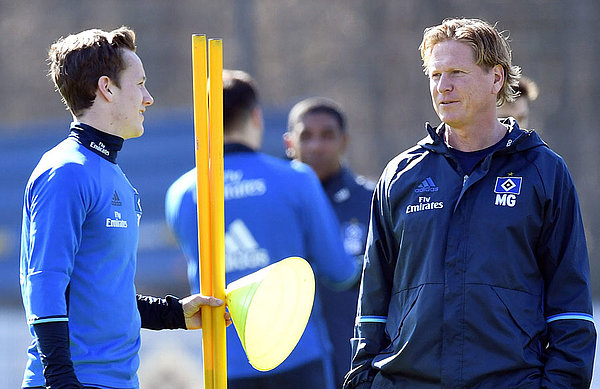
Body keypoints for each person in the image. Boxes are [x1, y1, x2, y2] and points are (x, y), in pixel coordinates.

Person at [344, 18, 595, 389]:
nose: (443, 87)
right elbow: (373, 301)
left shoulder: (544, 171)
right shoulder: (401, 174)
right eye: (435, 74)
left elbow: (571, 304)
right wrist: (364, 380)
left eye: (457, 73)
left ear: (496, 79)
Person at [19, 27, 230, 389]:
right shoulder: (66, 171)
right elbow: (44, 284)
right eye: (140, 84)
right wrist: (60, 381)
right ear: (107, 88)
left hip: (117, 381)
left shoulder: (112, 173)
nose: (148, 98)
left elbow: (101, 291)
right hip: (74, 382)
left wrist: (172, 313)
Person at [165, 70, 359, 389]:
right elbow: (339, 271)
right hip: (296, 353)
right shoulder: (296, 179)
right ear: (256, 116)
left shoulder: (183, 193)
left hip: (224, 361)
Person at [284, 97, 374, 388]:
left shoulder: (373, 202)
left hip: (358, 366)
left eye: (327, 135)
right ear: (289, 143)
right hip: (293, 367)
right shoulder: (275, 206)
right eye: (306, 136)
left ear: (344, 141)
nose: (316, 146)